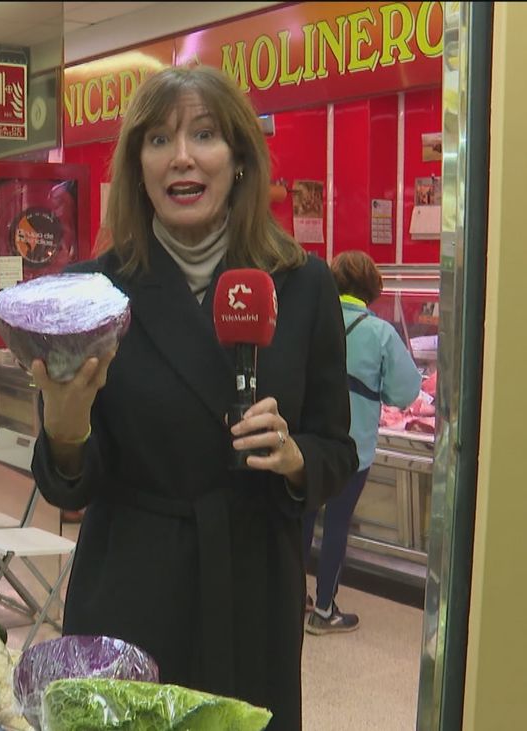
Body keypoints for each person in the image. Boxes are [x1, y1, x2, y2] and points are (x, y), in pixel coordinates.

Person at [31, 66, 356, 730]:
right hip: (132, 585)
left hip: (253, 586)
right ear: (137, 167)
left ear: (238, 159)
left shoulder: (303, 285)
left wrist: (295, 458)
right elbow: (69, 484)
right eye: (158, 139)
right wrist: (65, 434)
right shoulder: (90, 293)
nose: (181, 156)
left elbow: (337, 446)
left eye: (204, 135)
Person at [303, 251, 421, 634]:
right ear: (372, 288)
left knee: (302, 519)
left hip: (306, 441)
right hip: (352, 447)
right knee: (337, 524)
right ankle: (324, 611)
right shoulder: (380, 332)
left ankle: (291, 598)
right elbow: (405, 392)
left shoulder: (312, 319)